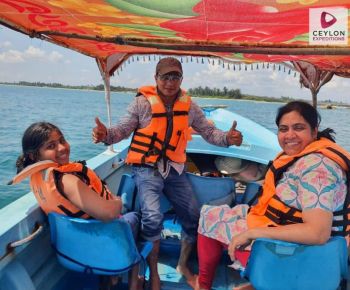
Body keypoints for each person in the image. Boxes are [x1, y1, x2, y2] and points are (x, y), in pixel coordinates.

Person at [92, 57, 243, 290]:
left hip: (174, 169)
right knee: (152, 217)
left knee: (194, 217)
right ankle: (152, 271)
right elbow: (121, 130)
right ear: (156, 78)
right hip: (146, 168)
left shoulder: (190, 107)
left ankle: (183, 265)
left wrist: (228, 139)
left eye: (175, 77)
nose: (170, 82)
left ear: (181, 80)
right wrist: (105, 136)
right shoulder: (141, 104)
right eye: (165, 77)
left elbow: (210, 133)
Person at [194, 101, 350, 290]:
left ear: (314, 131)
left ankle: (206, 284)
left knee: (209, 217)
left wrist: (253, 233)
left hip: (301, 252)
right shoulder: (305, 156)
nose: (289, 135)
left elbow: (317, 233)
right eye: (283, 129)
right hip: (284, 227)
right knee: (211, 213)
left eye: (298, 128)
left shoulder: (318, 169)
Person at [12, 122, 143, 290]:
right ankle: (134, 282)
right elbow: (109, 214)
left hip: (72, 251)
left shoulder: (38, 178)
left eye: (62, 140)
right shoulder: (67, 180)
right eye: (51, 146)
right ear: (33, 156)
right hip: (99, 242)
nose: (62, 148)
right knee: (134, 216)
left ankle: (112, 278)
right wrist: (117, 201)